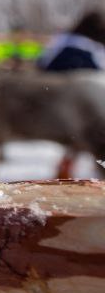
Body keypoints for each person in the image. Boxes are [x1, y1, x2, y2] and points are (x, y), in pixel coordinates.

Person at [38, 10, 105, 178]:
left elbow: (43, 65)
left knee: (79, 139)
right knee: (88, 136)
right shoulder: (82, 48)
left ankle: (64, 172)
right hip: (76, 100)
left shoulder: (63, 42)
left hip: (57, 97)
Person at [39, 10, 105, 72]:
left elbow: (43, 61)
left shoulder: (62, 38)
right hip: (86, 74)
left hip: (53, 72)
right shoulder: (93, 46)